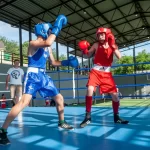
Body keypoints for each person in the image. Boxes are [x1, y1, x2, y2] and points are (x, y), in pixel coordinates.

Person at [0, 14, 79, 145]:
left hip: (44, 76)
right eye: (49, 30)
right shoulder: (33, 43)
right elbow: (48, 41)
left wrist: (66, 62)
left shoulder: (48, 47)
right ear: (44, 30)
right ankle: (2, 131)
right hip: (33, 76)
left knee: (59, 98)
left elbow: (53, 63)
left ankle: (61, 122)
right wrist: (57, 27)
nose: (50, 32)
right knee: (23, 103)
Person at [78, 27, 129, 128]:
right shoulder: (96, 45)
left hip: (107, 74)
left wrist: (113, 46)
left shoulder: (112, 45)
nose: (100, 36)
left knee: (115, 96)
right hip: (95, 71)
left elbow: (119, 57)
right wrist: (84, 50)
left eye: (102, 34)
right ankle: (87, 117)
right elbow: (88, 55)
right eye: (99, 35)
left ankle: (116, 117)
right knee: (89, 89)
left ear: (107, 35)